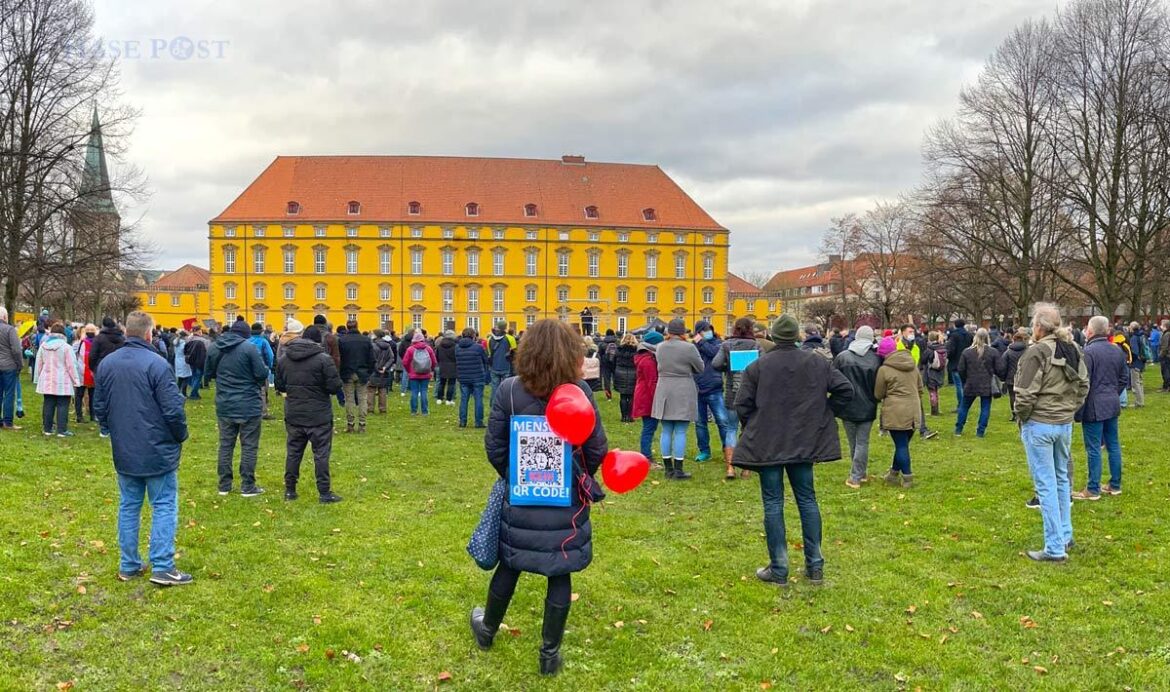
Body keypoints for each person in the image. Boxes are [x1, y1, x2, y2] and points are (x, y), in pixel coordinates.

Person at [470, 319, 608, 676]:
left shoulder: (509, 390)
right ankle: (549, 655)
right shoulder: (579, 391)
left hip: (522, 496)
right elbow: (596, 448)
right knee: (559, 571)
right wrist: (576, 477)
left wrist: (516, 476)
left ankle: (487, 630)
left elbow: (495, 447)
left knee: (510, 563)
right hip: (565, 500)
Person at [733, 314, 853, 587]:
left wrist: (823, 413)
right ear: (796, 337)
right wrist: (823, 414)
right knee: (806, 499)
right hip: (801, 440)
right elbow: (846, 390)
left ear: (774, 336)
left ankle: (781, 568)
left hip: (772, 441)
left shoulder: (759, 366)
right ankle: (814, 566)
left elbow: (742, 405)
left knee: (774, 502)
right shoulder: (816, 363)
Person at [92, 311, 192, 586]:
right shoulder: (157, 364)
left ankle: (130, 563)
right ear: (149, 334)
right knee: (162, 504)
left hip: (128, 446)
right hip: (154, 447)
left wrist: (111, 430)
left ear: (128, 332)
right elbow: (173, 409)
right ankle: (161, 565)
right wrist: (180, 435)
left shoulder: (109, 364)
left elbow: (100, 405)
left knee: (129, 505)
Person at [1013, 303, 1088, 562]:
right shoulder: (1073, 348)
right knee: (1061, 479)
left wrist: (1023, 417)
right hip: (1063, 423)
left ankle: (1055, 546)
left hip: (1040, 423)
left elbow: (1024, 393)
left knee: (1046, 484)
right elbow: (1083, 384)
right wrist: (1069, 409)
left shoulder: (1037, 352)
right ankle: (1064, 535)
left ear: (1038, 326)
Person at [275, 325, 344, 504]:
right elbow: (334, 386)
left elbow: (280, 385)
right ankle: (324, 492)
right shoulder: (323, 359)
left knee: (293, 452)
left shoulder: (284, 359)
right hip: (318, 414)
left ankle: (290, 490)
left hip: (295, 412)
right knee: (321, 454)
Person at [205, 319, 269, 497]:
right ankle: (247, 485)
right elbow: (261, 373)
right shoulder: (249, 348)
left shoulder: (214, 347)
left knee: (226, 444)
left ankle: (224, 485)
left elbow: (208, 373)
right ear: (245, 335)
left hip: (225, 402)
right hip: (248, 402)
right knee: (249, 445)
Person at [1073, 316, 1127, 501]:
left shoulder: (1088, 352)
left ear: (1090, 331)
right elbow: (1124, 378)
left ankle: (1093, 488)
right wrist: (1112, 393)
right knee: (1113, 444)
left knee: (1094, 447)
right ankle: (1115, 484)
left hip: (1094, 405)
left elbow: (1083, 381)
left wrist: (1078, 408)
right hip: (1111, 403)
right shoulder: (1116, 350)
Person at [711, 317, 762, 480]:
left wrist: (728, 366)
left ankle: (730, 467)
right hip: (751, 393)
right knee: (748, 429)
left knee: (731, 428)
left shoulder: (727, 345)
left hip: (733, 392)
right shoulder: (756, 345)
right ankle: (746, 468)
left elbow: (716, 364)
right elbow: (763, 365)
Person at [653, 319, 704, 480]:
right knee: (681, 430)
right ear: (683, 332)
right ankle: (678, 469)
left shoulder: (660, 347)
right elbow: (700, 367)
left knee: (666, 429)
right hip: (683, 388)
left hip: (664, 387)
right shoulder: (689, 347)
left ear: (668, 332)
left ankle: (668, 468)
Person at [832, 325, 880, 488]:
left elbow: (833, 380)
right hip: (868, 405)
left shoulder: (842, 357)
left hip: (847, 405)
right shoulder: (876, 359)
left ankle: (856, 476)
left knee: (854, 442)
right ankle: (859, 473)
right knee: (862, 442)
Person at [875, 338, 922, 488]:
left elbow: (878, 393)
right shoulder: (912, 365)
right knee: (903, 444)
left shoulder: (884, 370)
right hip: (914, 409)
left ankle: (907, 477)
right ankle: (893, 474)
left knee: (901, 445)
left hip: (895, 411)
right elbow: (920, 388)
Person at [692, 320, 734, 465]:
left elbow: (714, 354)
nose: (708, 332)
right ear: (698, 332)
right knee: (700, 423)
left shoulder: (718, 344)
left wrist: (701, 342)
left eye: (709, 329)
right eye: (704, 330)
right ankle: (704, 451)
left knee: (722, 421)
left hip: (714, 388)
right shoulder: (693, 346)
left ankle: (727, 450)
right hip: (697, 388)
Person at [34, 322, 81, 437]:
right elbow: (71, 365)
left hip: (47, 380)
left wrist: (38, 378)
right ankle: (62, 430)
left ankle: (47, 429)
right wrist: (76, 380)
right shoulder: (66, 347)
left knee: (48, 404)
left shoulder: (43, 346)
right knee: (63, 405)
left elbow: (39, 363)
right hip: (63, 380)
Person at [896, 323, 938, 440]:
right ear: (903, 333)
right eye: (910, 332)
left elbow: (918, 364)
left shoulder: (916, 347)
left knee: (918, 404)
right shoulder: (897, 346)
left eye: (913, 332)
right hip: (900, 380)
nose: (912, 334)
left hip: (913, 380)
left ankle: (923, 430)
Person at [955, 328, 999, 438]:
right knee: (985, 408)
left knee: (964, 406)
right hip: (986, 384)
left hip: (971, 383)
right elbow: (999, 368)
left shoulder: (967, 352)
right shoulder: (993, 352)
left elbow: (961, 369)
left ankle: (958, 429)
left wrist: (965, 380)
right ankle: (980, 431)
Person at [338, 320, 375, 433]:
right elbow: (372, 359)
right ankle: (362, 424)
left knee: (349, 400)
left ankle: (350, 424)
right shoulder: (366, 340)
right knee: (362, 399)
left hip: (347, 372)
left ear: (347, 327)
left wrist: (340, 372)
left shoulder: (342, 340)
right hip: (362, 372)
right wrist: (369, 372)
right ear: (357, 326)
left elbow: (339, 358)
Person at [633, 331, 662, 464]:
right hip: (648, 398)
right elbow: (652, 382)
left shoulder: (644, 357)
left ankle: (646, 455)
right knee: (649, 428)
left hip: (644, 396)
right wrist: (658, 400)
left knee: (649, 427)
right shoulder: (648, 360)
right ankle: (646, 456)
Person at [454, 327, 490, 428]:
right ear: (473, 336)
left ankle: (462, 421)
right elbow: (485, 360)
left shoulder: (457, 347)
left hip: (463, 376)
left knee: (464, 399)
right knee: (478, 399)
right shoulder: (478, 347)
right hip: (477, 376)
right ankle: (479, 422)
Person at [996, 329, 1030, 421]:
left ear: (1013, 339)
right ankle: (1024, 413)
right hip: (1025, 377)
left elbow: (1003, 366)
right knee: (1024, 396)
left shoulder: (1008, 352)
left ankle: (1014, 414)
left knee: (1012, 396)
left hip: (1011, 378)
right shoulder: (1028, 351)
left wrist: (1003, 378)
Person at [0, 307, 25, 430]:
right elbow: (16, 350)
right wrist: (20, 364)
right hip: (9, 366)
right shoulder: (10, 330)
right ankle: (8, 422)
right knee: (9, 394)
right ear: (5, 317)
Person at [404, 330, 438, 416]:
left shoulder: (410, 349)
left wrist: (409, 370)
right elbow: (434, 361)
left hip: (413, 374)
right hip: (426, 373)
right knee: (424, 391)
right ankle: (425, 411)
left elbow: (405, 362)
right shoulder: (428, 348)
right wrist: (431, 369)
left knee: (414, 392)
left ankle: (414, 411)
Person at [249, 323, 275, 420]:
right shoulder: (263, 341)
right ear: (261, 331)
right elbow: (270, 355)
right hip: (261, 368)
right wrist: (269, 366)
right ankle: (263, 412)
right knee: (262, 391)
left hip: (249, 370)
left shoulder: (247, 341)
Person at [72, 325, 98, 424]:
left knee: (90, 395)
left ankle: (90, 414)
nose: (90, 332)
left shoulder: (96, 343)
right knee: (82, 395)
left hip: (89, 371)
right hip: (83, 371)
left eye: (92, 330)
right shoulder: (80, 343)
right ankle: (81, 415)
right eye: (89, 330)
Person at [946, 319, 973, 408]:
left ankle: (961, 405)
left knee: (959, 385)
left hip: (956, 363)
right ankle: (966, 403)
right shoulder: (969, 335)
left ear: (955, 325)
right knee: (964, 384)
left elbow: (951, 349)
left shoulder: (954, 336)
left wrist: (948, 356)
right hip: (967, 363)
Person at [612, 333, 638, 423]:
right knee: (631, 396)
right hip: (633, 373)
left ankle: (623, 416)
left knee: (623, 396)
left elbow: (613, 361)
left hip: (620, 372)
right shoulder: (636, 351)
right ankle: (630, 416)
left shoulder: (618, 350)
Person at [368, 330, 395, 414]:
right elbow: (391, 358)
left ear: (376, 335)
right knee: (383, 390)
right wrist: (385, 367)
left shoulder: (372, 346)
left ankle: (370, 408)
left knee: (371, 390)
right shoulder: (388, 346)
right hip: (384, 371)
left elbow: (371, 359)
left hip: (373, 371)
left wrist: (377, 368)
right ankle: (382, 409)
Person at [924, 330, 948, 417]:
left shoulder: (930, 349)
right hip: (940, 372)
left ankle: (934, 411)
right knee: (936, 391)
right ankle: (937, 409)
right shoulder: (943, 347)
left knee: (932, 391)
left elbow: (923, 360)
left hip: (931, 372)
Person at [487, 321, 516, 392]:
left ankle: (494, 399)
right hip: (506, 365)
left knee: (494, 388)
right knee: (506, 388)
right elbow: (514, 352)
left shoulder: (489, 339)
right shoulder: (510, 338)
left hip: (494, 366)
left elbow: (489, 353)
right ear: (505, 328)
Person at [183, 325, 209, 401]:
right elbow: (208, 351)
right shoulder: (204, 340)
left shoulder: (188, 340)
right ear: (199, 331)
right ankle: (193, 394)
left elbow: (185, 351)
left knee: (194, 376)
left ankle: (195, 393)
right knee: (198, 378)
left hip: (191, 361)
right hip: (200, 361)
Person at [1125, 321, 1147, 408]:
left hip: (1136, 363)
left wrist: (1130, 360)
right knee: (1140, 382)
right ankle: (1141, 401)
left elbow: (1135, 351)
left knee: (1135, 383)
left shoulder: (1134, 337)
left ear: (1132, 328)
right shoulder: (1141, 335)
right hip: (1142, 361)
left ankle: (1139, 402)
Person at [435, 330, 458, 405]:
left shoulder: (440, 345)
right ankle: (449, 400)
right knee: (451, 383)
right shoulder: (455, 346)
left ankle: (439, 398)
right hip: (453, 366)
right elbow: (457, 356)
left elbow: (437, 356)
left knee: (441, 382)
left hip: (442, 365)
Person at [599, 328, 619, 400]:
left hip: (605, 364)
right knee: (616, 377)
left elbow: (600, 354)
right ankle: (619, 391)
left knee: (606, 380)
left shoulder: (602, 343)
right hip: (615, 363)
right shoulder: (617, 342)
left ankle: (608, 396)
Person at [173, 330, 192, 397]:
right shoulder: (184, 344)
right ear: (184, 336)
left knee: (180, 378)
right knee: (186, 378)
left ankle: (177, 392)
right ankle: (184, 393)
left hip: (177, 360)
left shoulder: (176, 342)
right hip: (184, 361)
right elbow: (187, 352)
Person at [1160, 320, 1170, 392]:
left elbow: (1165, 346)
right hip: (1166, 355)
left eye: (1162, 325)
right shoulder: (1166, 333)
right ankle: (1166, 386)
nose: (1160, 326)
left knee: (1166, 371)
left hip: (1166, 356)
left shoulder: (1167, 334)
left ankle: (1167, 386)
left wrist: (1161, 355)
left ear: (1165, 326)